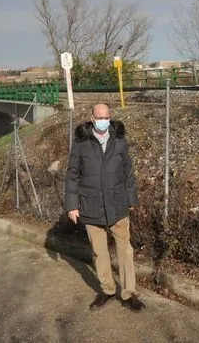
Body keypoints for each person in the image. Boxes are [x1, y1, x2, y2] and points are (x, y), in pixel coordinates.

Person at [65, 103, 147, 312]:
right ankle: (108, 290)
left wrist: (131, 199)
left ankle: (129, 293)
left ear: (110, 118)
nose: (103, 121)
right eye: (99, 117)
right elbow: (72, 175)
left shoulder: (119, 140)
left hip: (117, 204)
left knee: (125, 251)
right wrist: (72, 205)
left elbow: (128, 172)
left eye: (107, 117)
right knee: (99, 253)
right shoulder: (81, 143)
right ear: (92, 118)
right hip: (92, 206)